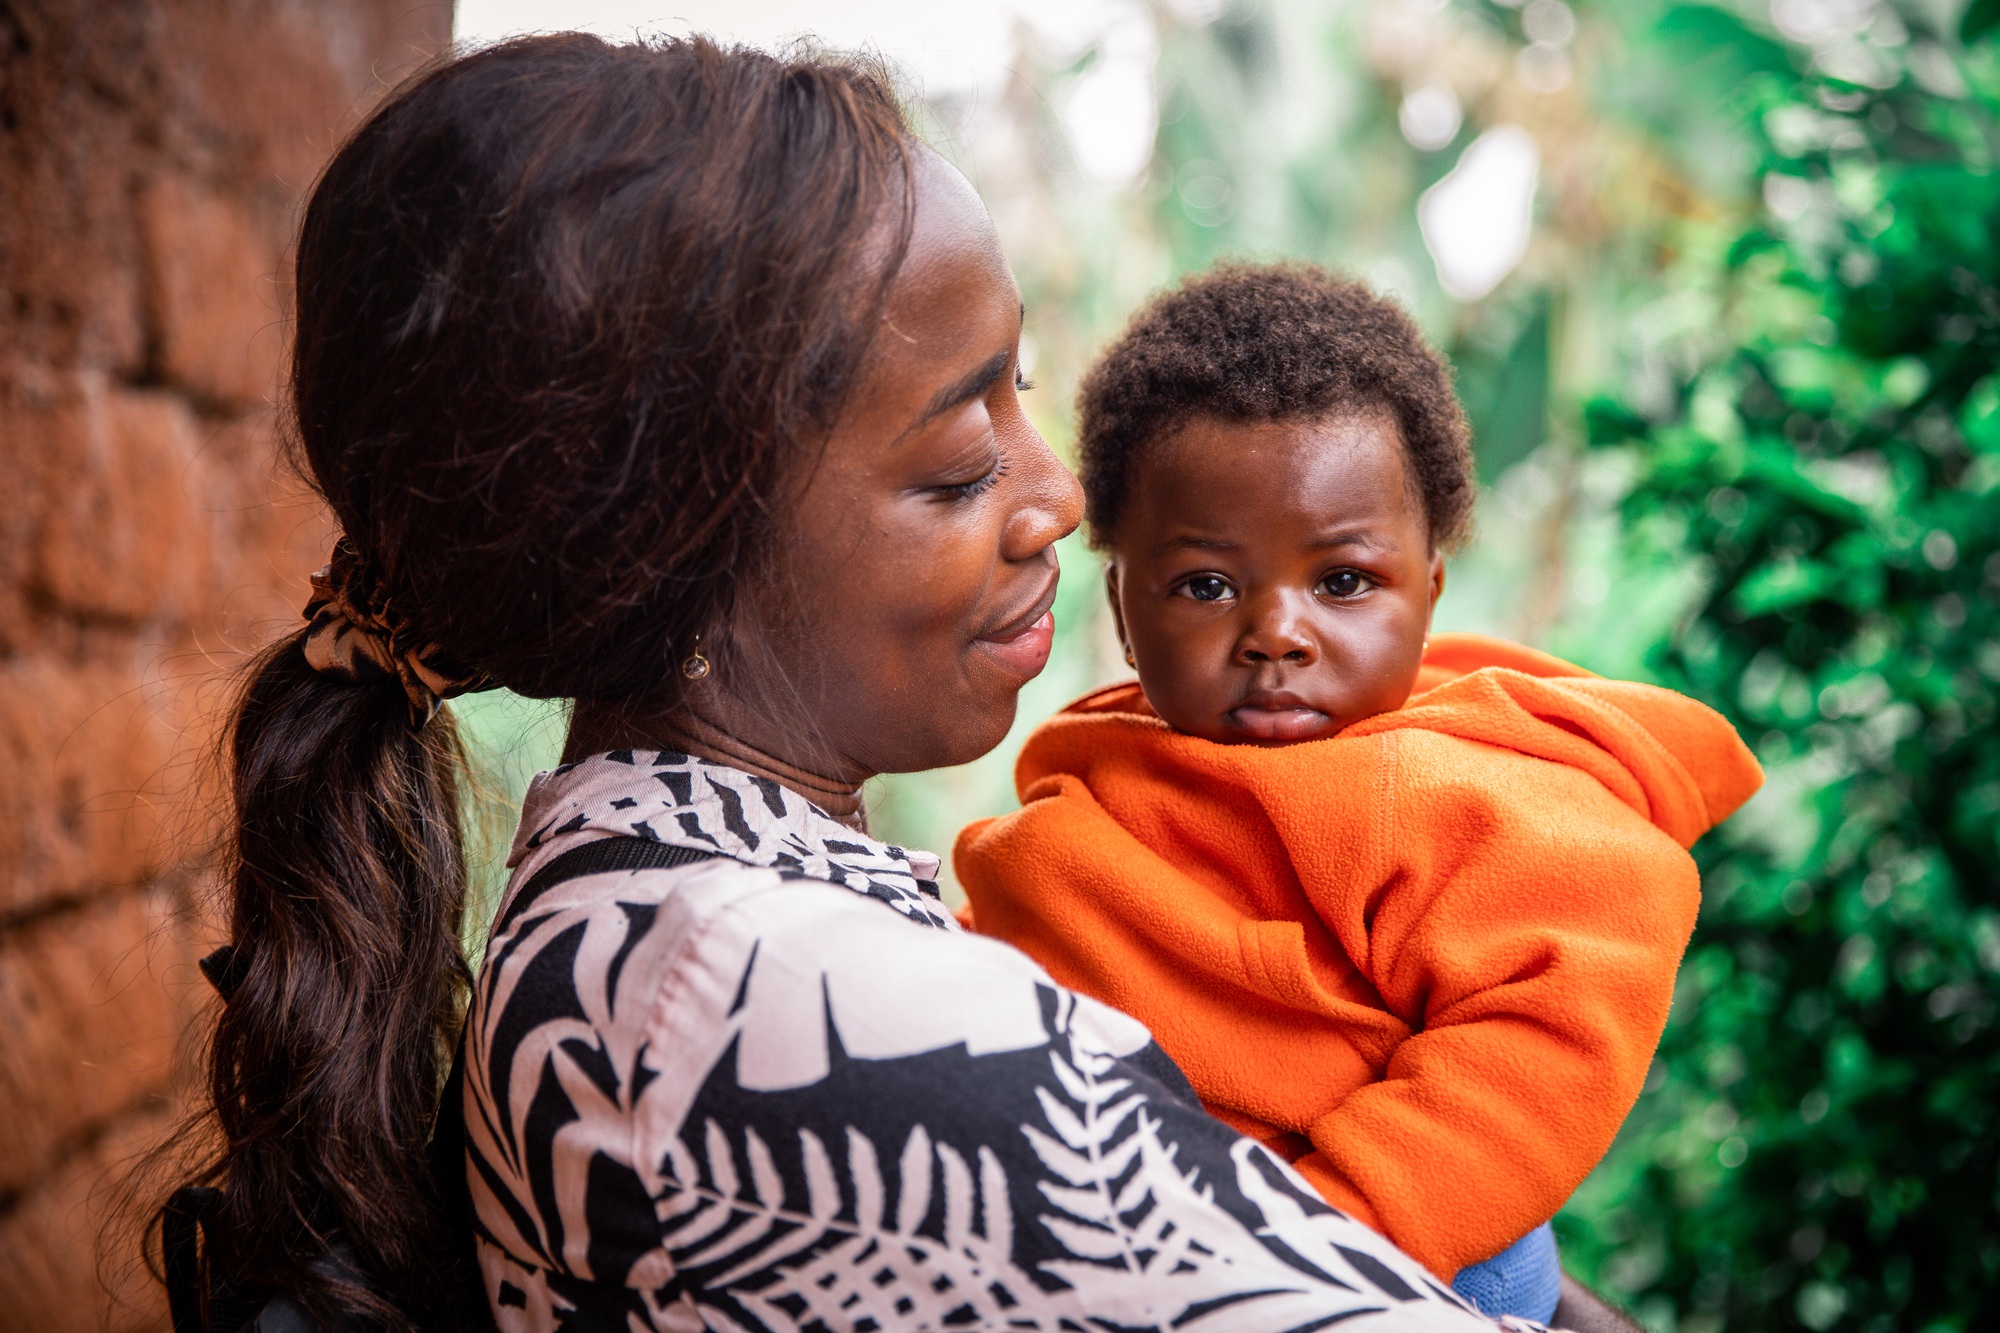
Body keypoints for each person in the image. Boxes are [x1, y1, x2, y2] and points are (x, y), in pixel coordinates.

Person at [174, 34, 1567, 1333]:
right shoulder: (774, 1016)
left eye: (1021, 388)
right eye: (960, 466)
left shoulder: (658, 928)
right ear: (678, 554)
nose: (1060, 498)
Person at [955, 265, 1765, 1323]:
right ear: (1121, 603)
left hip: (1398, 1252)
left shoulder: (1454, 788)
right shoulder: (1108, 763)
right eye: (1205, 585)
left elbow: (1538, 1038)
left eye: (1340, 581)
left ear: (1426, 588)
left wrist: (1320, 1237)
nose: (1276, 631)